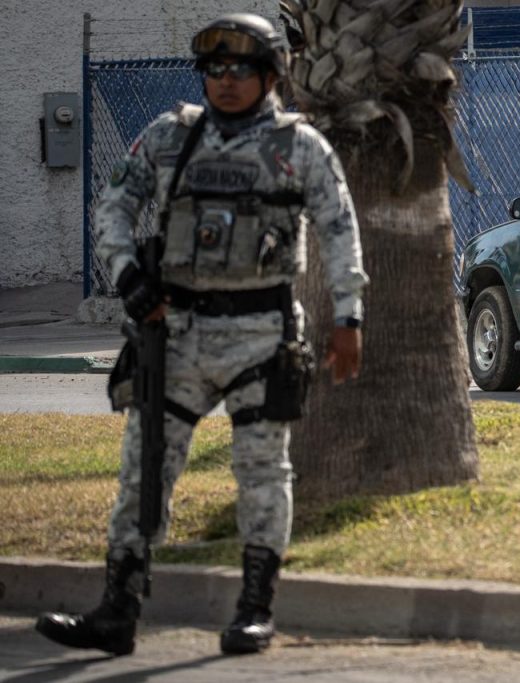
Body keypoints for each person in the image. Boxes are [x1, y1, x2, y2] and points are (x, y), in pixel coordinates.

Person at [35, 13, 367, 656]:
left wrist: (348, 318)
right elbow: (114, 205)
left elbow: (339, 231)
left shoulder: (301, 147)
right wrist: (127, 275)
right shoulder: (170, 136)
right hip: (176, 336)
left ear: (271, 75)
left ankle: (255, 610)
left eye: (241, 68)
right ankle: (117, 611)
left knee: (263, 472)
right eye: (214, 69)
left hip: (261, 337)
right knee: (143, 471)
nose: (226, 80)